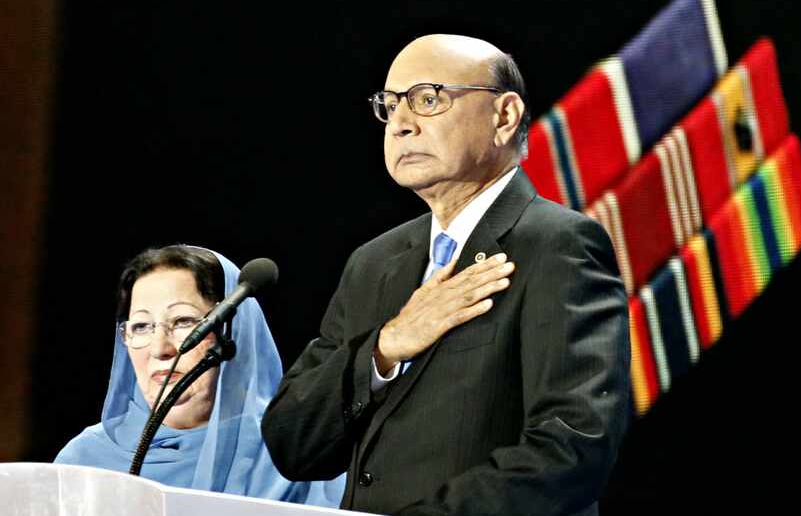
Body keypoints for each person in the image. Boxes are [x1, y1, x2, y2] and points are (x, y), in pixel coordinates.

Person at [261, 34, 631, 516]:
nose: (400, 124)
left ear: (504, 117)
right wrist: (385, 347)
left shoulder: (557, 246)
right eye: (390, 106)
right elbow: (291, 441)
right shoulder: (373, 263)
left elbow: (571, 451)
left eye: (427, 99)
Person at [55, 245, 345, 506]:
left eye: (182, 321)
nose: (159, 349)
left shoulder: (299, 451)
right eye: (142, 326)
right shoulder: (86, 459)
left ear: (233, 331)